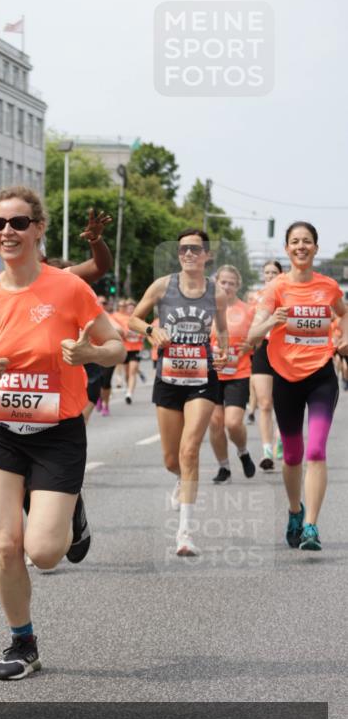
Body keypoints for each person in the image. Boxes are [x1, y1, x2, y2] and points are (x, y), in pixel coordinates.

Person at [0, 186, 123, 680]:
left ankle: (71, 512)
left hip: (58, 431)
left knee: (43, 552)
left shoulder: (68, 287)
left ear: (38, 229)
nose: (7, 232)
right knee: (5, 544)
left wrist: (90, 354)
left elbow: (116, 347)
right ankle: (23, 642)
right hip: (0, 430)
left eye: (18, 223)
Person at [248, 222, 347, 551]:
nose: (301, 246)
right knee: (292, 455)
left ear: (315, 248)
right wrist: (270, 321)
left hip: (321, 378)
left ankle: (311, 526)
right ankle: (295, 511)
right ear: (287, 249)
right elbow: (251, 335)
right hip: (286, 379)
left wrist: (344, 338)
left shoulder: (329, 287)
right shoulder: (275, 288)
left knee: (316, 450)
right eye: (295, 241)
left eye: (307, 241)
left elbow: (344, 314)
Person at [129, 229, 228, 557]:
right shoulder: (163, 286)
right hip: (168, 378)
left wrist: (224, 351)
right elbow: (133, 319)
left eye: (195, 249)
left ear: (207, 255)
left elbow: (223, 330)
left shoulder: (216, 292)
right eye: (183, 249)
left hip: (202, 377)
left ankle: (185, 533)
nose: (188, 254)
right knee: (171, 458)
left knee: (189, 451)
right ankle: (180, 478)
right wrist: (151, 330)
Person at [208, 265, 257, 483]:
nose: (227, 287)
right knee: (215, 423)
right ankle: (224, 467)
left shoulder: (248, 311)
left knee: (233, 423)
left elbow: (258, 338)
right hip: (211, 374)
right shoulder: (207, 308)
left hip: (238, 373)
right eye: (223, 282)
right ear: (216, 283)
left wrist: (249, 346)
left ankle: (243, 451)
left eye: (231, 283)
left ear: (238, 286)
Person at [249, 260, 284, 469]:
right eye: (267, 272)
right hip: (262, 350)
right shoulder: (256, 297)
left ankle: (280, 438)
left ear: (281, 274)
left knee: (282, 402)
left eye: (274, 272)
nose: (270, 276)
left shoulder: (287, 294)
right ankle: (266, 450)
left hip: (283, 351)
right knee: (264, 403)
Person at [113, 298, 144, 404]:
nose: (130, 310)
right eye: (128, 308)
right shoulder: (121, 319)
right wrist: (125, 334)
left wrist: (140, 334)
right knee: (127, 373)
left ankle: (129, 393)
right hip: (125, 348)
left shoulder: (140, 319)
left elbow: (145, 332)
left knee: (132, 371)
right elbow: (118, 331)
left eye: (132, 308)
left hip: (136, 349)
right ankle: (128, 387)